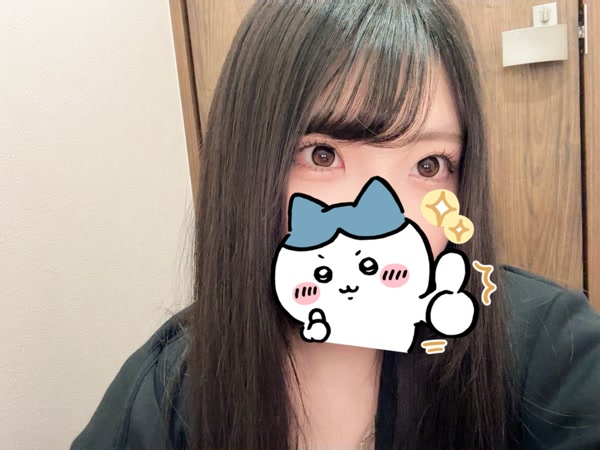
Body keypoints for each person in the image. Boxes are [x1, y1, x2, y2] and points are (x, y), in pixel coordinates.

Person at [71, 1, 600, 449]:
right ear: (246, 168)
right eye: (322, 155)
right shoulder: (166, 393)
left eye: (429, 165)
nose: (385, 226)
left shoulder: (547, 348)